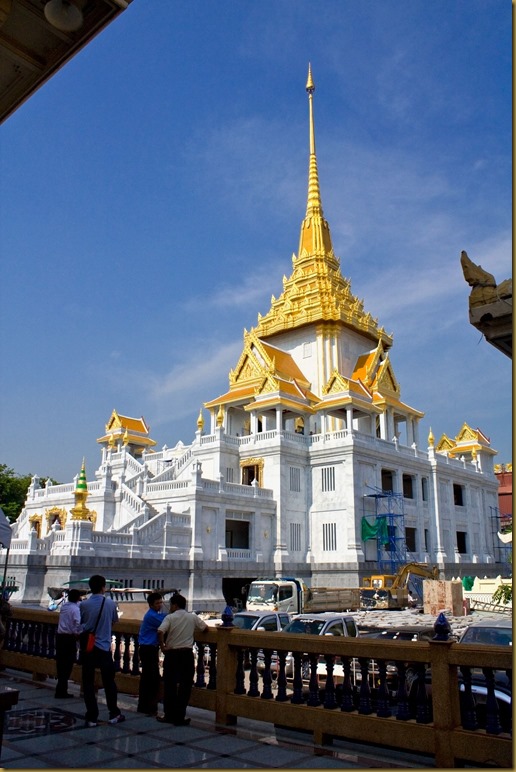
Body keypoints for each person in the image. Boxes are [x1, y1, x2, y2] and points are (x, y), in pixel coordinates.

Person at [79, 574, 125, 727]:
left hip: (89, 647)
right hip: (104, 647)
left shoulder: (83, 605)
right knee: (109, 682)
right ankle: (114, 712)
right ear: (103, 587)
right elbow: (114, 622)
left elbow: (82, 624)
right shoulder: (111, 603)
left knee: (88, 682)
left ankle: (92, 716)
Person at [157, 593, 208, 726]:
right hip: (186, 654)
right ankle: (180, 716)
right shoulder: (192, 617)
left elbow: (160, 631)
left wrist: (162, 646)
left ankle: (169, 715)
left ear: (175, 605)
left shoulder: (170, 617)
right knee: (185, 686)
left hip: (172, 654)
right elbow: (205, 628)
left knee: (170, 685)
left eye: (170, 605)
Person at [137, 591, 167, 716]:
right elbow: (167, 621)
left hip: (147, 648)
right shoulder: (152, 616)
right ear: (151, 605)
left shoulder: (152, 615)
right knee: (151, 678)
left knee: (148, 677)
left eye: (161, 602)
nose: (159, 605)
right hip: (148, 649)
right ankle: (149, 705)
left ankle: (145, 705)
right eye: (157, 603)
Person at [54, 588, 82, 698]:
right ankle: (61, 690)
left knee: (60, 664)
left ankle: (60, 689)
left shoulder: (64, 606)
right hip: (69, 638)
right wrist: (77, 633)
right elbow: (78, 623)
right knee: (68, 664)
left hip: (60, 636)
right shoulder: (75, 609)